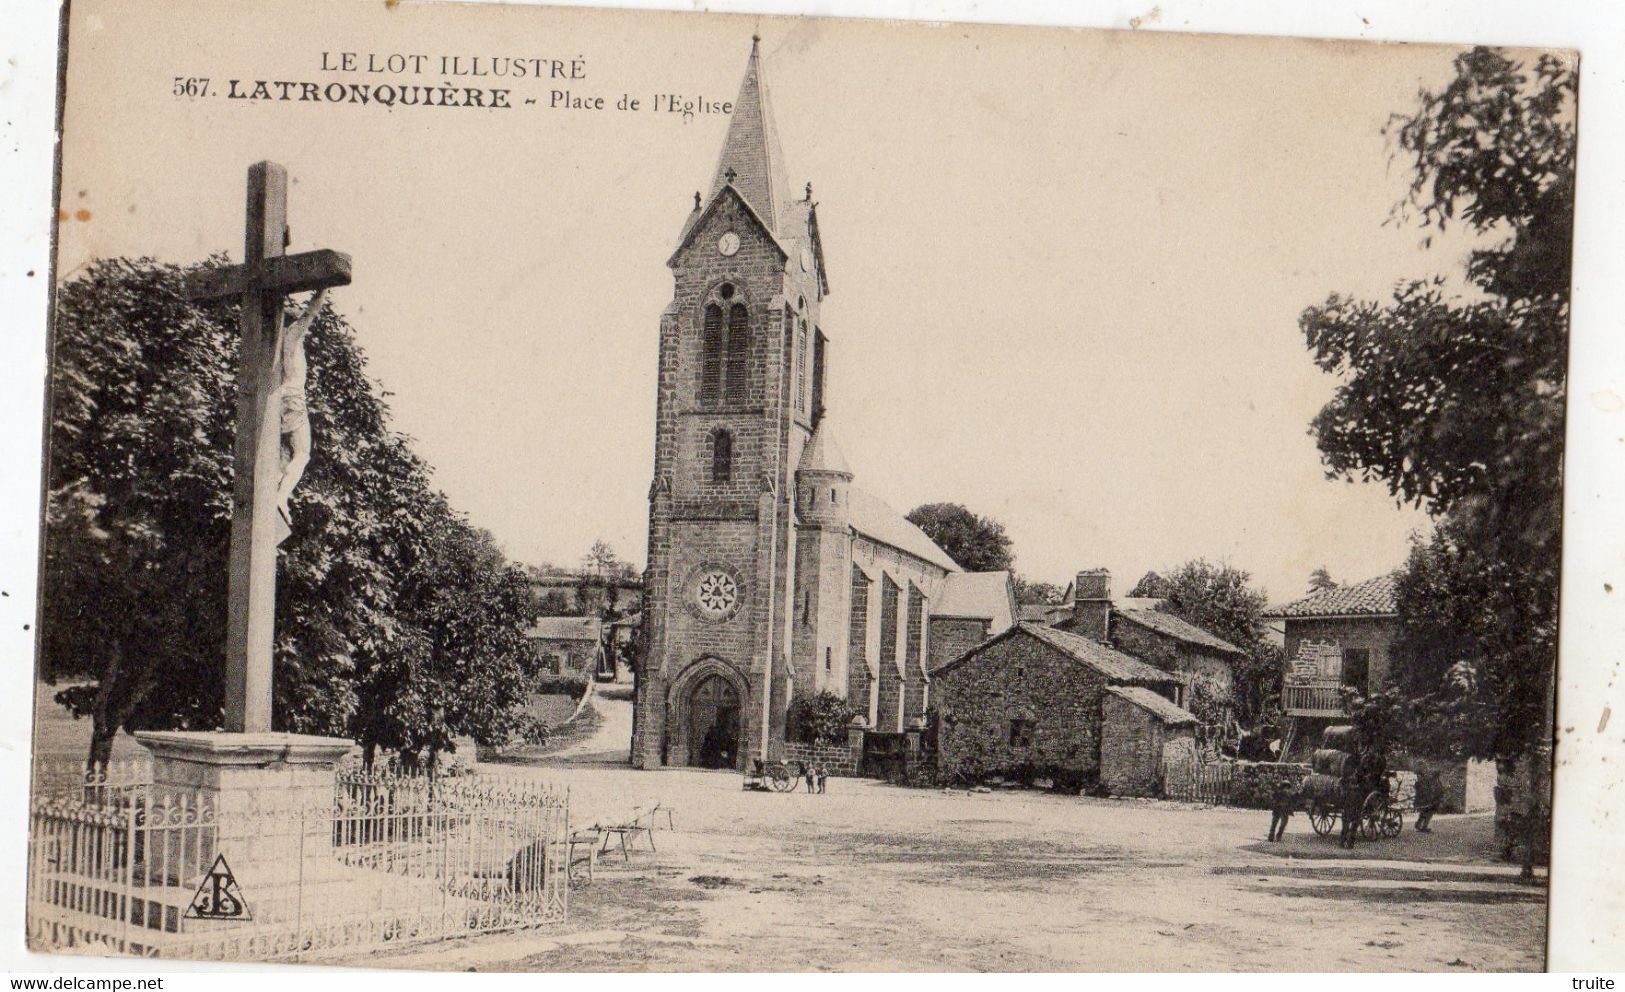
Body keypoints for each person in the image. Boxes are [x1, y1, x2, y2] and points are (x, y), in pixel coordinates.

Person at [271, 288, 327, 542]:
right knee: (302, 453)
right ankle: (281, 496)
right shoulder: (293, 335)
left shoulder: (275, 342)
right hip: (293, 398)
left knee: (284, 454)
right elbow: (311, 312)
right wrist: (323, 289)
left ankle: (278, 488)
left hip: (278, 399)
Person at [1414, 767, 1444, 832]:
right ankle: (1423, 826)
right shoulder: (1435, 783)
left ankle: (1419, 825)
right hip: (1429, 801)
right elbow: (1434, 792)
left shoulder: (1431, 782)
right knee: (1428, 814)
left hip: (1428, 800)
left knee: (1425, 813)